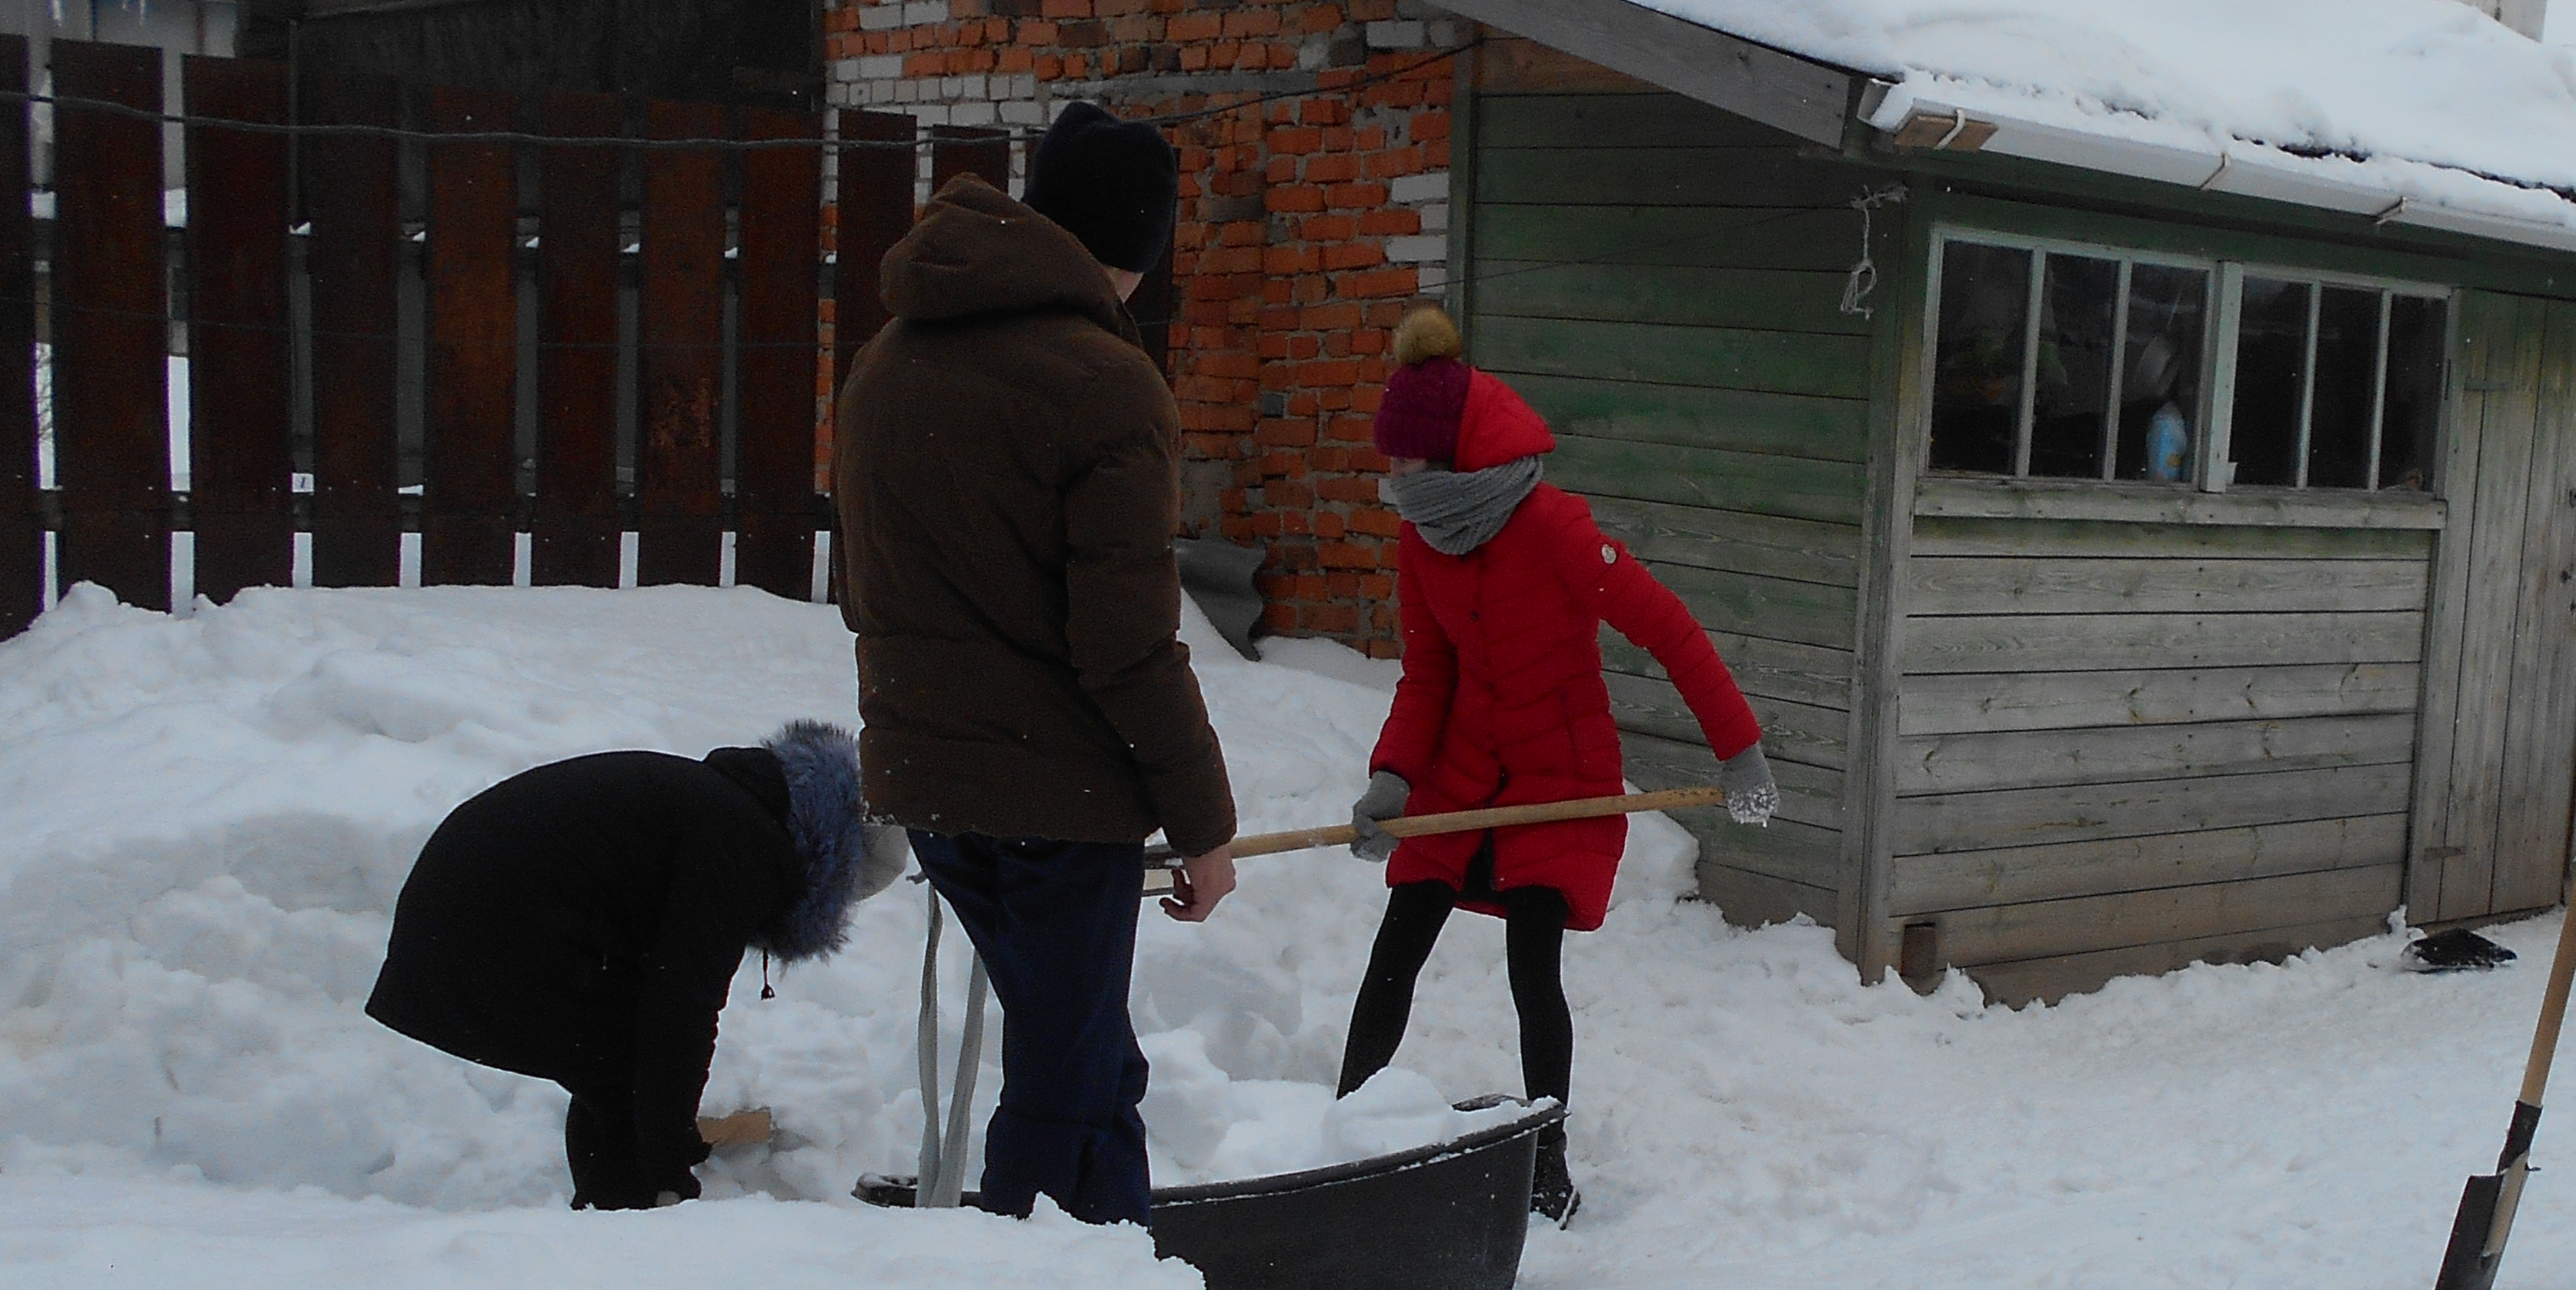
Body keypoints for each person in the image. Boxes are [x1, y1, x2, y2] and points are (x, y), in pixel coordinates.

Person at [830, 102, 1240, 1225]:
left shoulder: (890, 354)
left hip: (930, 783)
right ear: (1139, 244)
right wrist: (1203, 823)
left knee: (1094, 1062)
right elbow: (1125, 644)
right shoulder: (1102, 382)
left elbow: (864, 587)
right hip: (1056, 802)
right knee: (1063, 1088)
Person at [1336, 304, 1773, 1225]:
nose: (1394, 479)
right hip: (1459, 777)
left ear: (1449, 459)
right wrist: (1396, 776)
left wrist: (1738, 750)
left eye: (1406, 462)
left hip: (1556, 781)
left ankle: (1546, 1157)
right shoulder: (1423, 538)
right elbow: (1430, 670)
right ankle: (1342, 1136)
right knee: (1396, 946)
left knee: (1532, 968)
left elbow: (1667, 629)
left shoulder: (1555, 529)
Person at [369, 719, 906, 1208]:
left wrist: (668, 1137)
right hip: (482, 930)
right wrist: (670, 1153)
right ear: (833, 866)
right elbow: (683, 1001)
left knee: (616, 1067)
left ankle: (622, 1212)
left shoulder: (722, 810)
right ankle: (635, 1217)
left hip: (459, 920)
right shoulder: (741, 843)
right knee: (623, 1070)